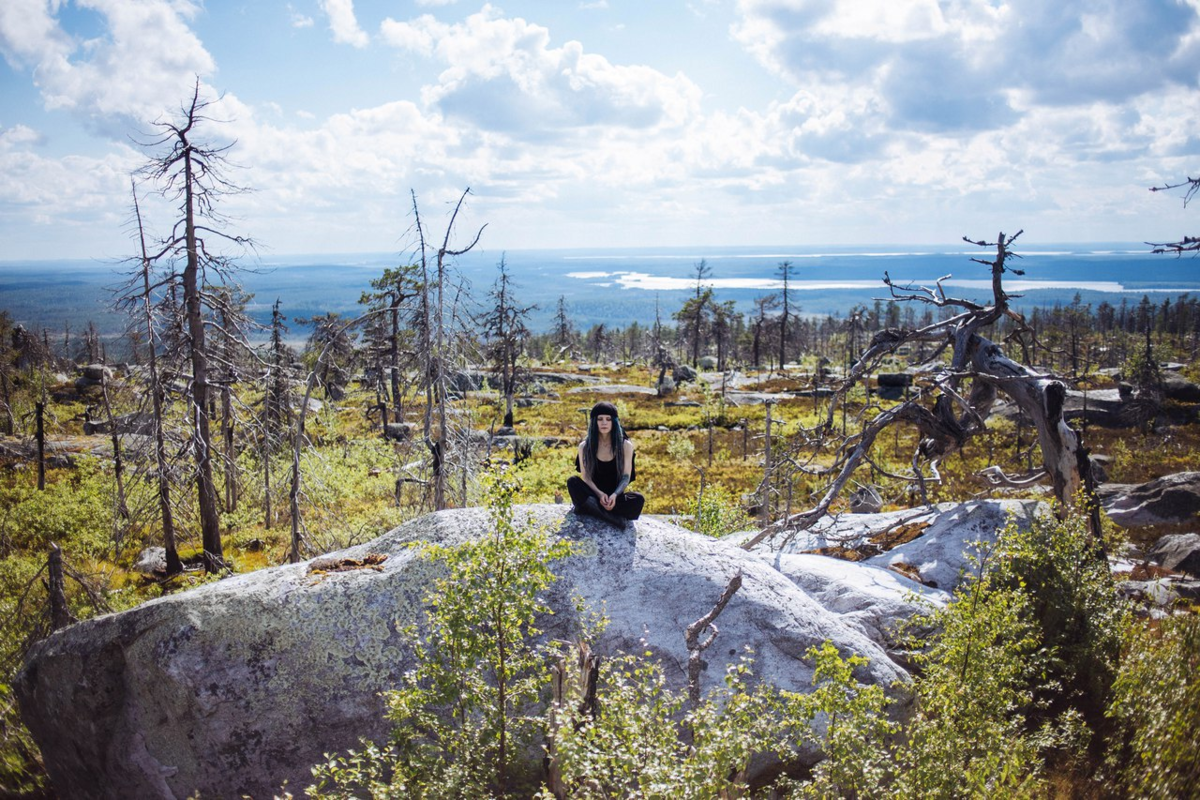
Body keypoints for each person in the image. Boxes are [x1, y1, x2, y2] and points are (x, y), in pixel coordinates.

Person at [567, 401, 644, 527]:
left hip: (615, 497)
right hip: (593, 495)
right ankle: (612, 518)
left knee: (638, 499)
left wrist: (614, 495)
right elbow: (585, 477)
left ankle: (593, 510)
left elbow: (626, 476)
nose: (604, 423)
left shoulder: (625, 445)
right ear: (594, 422)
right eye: (600, 419)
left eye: (608, 419)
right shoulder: (584, 447)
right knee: (573, 482)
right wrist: (600, 494)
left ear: (614, 421)